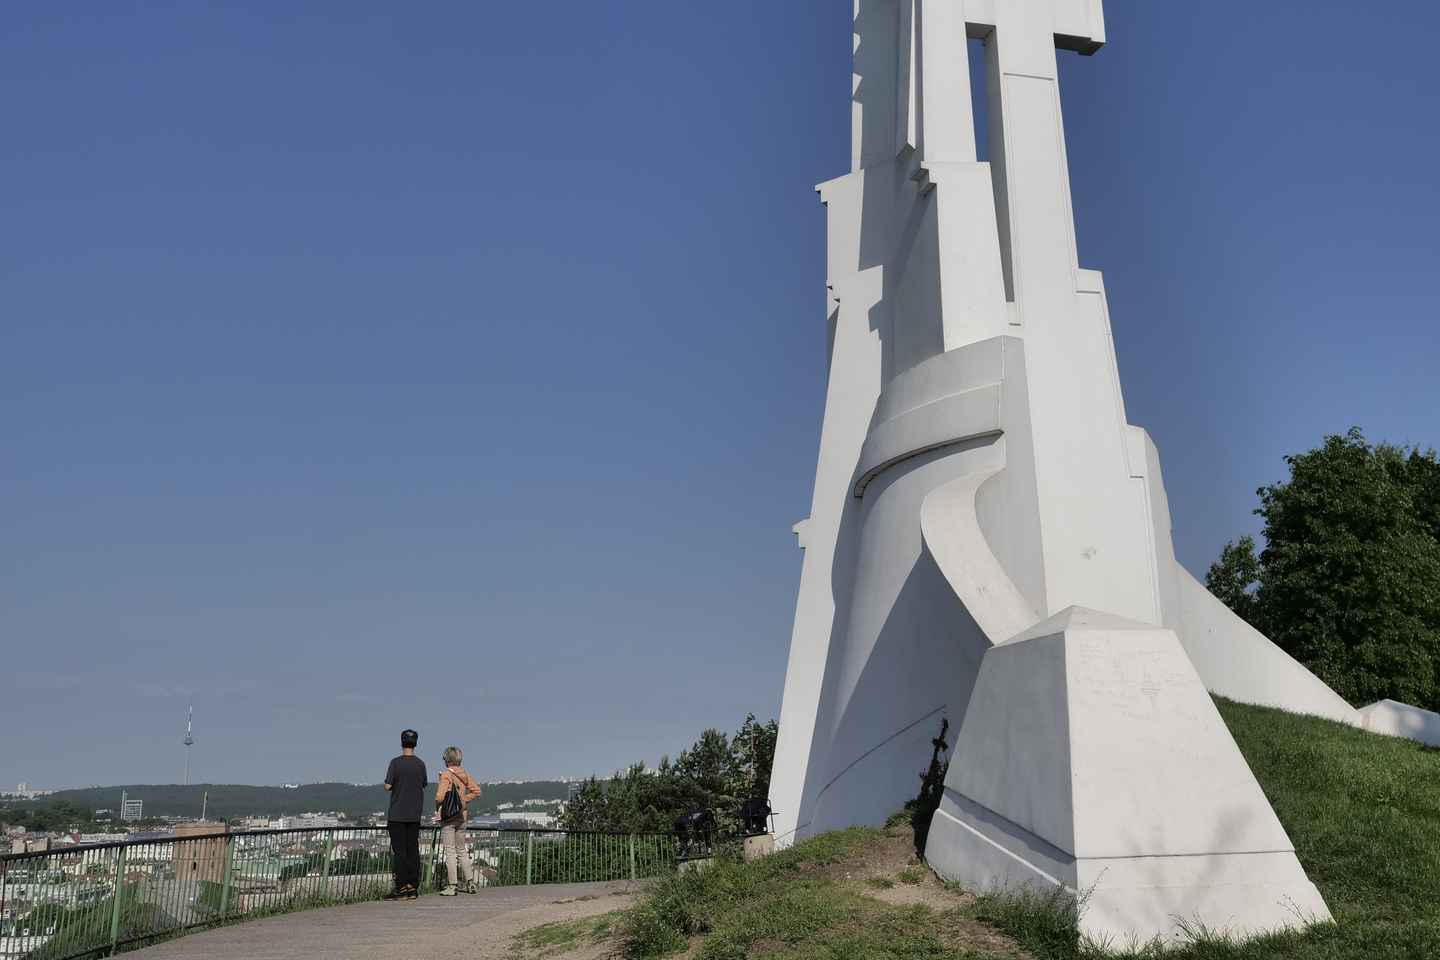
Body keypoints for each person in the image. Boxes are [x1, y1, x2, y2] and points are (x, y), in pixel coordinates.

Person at [383, 728, 428, 901]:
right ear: (415, 743)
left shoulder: (395, 763)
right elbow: (423, 783)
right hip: (414, 814)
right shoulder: (420, 764)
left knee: (400, 852)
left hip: (397, 814)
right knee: (412, 850)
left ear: (402, 742)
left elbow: (388, 786)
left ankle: (401, 887)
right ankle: (412, 887)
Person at [435, 746, 483, 896]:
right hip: (462, 816)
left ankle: (452, 885)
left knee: (450, 851)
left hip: (449, 818)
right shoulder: (465, 774)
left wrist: (439, 806)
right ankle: (470, 882)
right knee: (462, 850)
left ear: (447, 760)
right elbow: (477, 791)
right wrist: (463, 800)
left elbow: (439, 797)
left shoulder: (446, 775)